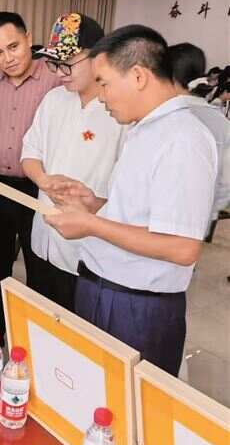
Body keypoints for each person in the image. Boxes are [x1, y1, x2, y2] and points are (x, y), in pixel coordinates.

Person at [45, 25, 217, 376]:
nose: (101, 96)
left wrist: (92, 224)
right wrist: (95, 204)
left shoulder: (183, 139)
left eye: (104, 83)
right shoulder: (145, 129)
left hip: (135, 306)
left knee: (130, 401)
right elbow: (143, 214)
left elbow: (183, 247)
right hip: (105, 289)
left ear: (138, 76)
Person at [21, 13, 124, 312]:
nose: (60, 72)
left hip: (87, 248)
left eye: (68, 62)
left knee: (76, 323)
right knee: (39, 313)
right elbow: (30, 152)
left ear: (99, 57)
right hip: (43, 236)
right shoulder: (54, 100)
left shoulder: (118, 111)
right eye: (54, 63)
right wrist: (43, 180)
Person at [0, 11, 60, 344]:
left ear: (28, 38)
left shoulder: (55, 78)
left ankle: (34, 345)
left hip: (40, 190)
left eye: (13, 47)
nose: (7, 59)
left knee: (40, 271)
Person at [168, 43, 230, 227]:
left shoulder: (166, 117)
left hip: (159, 219)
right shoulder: (222, 123)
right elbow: (226, 181)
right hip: (201, 218)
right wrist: (210, 211)